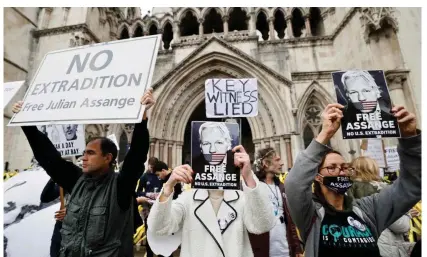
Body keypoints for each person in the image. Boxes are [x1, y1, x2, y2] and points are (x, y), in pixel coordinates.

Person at [12, 88, 155, 257]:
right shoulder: (76, 180)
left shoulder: (120, 187)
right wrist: (26, 124)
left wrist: (142, 116)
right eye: (84, 152)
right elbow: (48, 157)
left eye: (91, 153)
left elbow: (136, 156)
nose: (84, 157)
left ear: (107, 158)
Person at [285, 103, 421, 257]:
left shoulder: (368, 210)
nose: (340, 172)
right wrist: (325, 134)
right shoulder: (310, 214)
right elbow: (294, 184)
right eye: (332, 167)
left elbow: (411, 185)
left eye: (344, 167)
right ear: (317, 176)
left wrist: (411, 139)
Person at [147, 145, 276, 257]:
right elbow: (159, 227)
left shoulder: (241, 198)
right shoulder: (187, 199)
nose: (213, 152)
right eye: (207, 147)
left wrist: (249, 176)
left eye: (219, 146)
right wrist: (169, 186)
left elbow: (263, 225)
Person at [349, 156, 416, 257]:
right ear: (373, 169)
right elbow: (400, 226)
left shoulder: (348, 191)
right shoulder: (381, 190)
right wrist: (407, 215)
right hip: (386, 246)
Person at [249, 147, 303, 257]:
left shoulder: (281, 187)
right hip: (263, 249)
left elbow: (289, 219)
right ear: (265, 163)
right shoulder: (253, 188)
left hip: (284, 249)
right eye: (277, 160)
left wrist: (296, 247)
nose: (282, 163)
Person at [191, 122, 238, 188]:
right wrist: (171, 185)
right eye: (206, 143)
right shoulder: (195, 165)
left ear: (228, 144)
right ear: (201, 146)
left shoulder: (238, 164)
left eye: (218, 142)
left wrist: (248, 176)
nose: (212, 150)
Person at [40, 179, 68, 257]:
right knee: (55, 253)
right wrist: (53, 177)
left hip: (79, 227)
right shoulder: (66, 180)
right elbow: (45, 197)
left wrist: (70, 211)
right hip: (61, 225)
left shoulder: (88, 180)